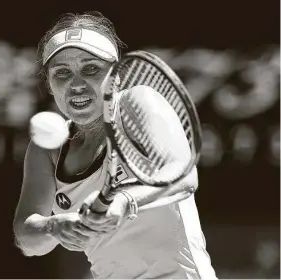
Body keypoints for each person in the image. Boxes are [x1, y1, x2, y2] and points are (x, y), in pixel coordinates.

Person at [13, 11, 217, 279]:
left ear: (117, 76)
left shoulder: (137, 103)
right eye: (62, 73)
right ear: (49, 85)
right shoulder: (45, 149)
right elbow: (28, 240)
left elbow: (184, 175)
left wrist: (124, 201)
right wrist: (53, 227)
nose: (76, 85)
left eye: (91, 69)